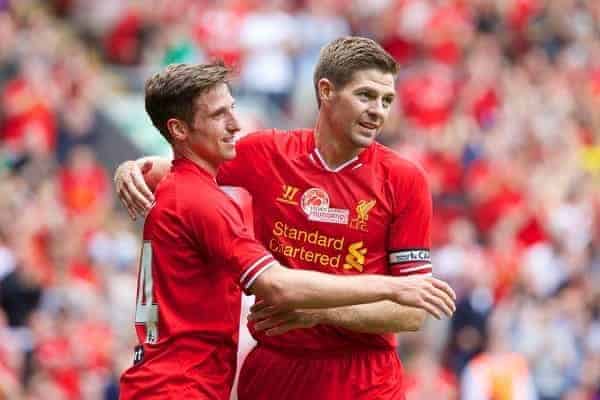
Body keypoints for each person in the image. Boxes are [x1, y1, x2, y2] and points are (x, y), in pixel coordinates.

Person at [118, 62, 456, 399]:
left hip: (361, 377)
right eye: (365, 95)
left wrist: (132, 169)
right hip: (215, 379)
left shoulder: (404, 180)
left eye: (386, 100)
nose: (377, 111)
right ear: (326, 92)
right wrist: (391, 287)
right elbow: (276, 285)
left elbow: (411, 313)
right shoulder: (225, 185)